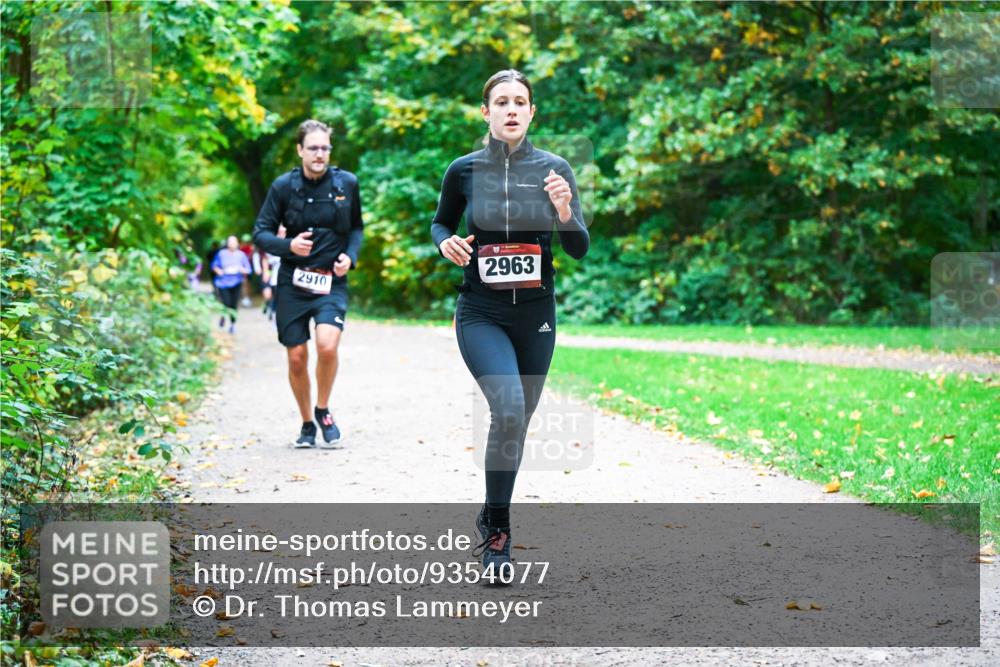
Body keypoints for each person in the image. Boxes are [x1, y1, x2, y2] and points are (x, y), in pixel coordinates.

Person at [430, 69, 589, 577]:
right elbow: (441, 221)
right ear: (487, 112)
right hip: (481, 312)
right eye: (502, 102)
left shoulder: (554, 169)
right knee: (510, 407)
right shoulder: (463, 170)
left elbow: (578, 247)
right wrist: (444, 242)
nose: (512, 109)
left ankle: (490, 509)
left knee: (515, 421)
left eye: (520, 101)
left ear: (532, 112)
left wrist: (564, 210)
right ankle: (498, 533)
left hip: (536, 316)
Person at [253, 120, 364, 448]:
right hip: (293, 282)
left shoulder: (346, 183)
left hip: (331, 280)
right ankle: (306, 424)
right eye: (313, 148)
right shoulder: (283, 187)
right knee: (297, 357)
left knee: (327, 346)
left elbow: (356, 228)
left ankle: (323, 409)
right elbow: (260, 233)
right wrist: (288, 246)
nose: (319, 154)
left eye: (325, 148)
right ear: (300, 150)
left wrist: (350, 257)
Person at [211, 235, 252, 333]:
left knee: (234, 305)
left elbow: (249, 269)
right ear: (227, 244)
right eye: (230, 242)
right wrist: (218, 271)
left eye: (234, 242)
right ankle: (223, 316)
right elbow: (214, 265)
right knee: (226, 302)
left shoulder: (241, 255)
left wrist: (242, 270)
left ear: (237, 244)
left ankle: (232, 325)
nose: (232, 244)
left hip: (236, 282)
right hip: (223, 283)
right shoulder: (221, 254)